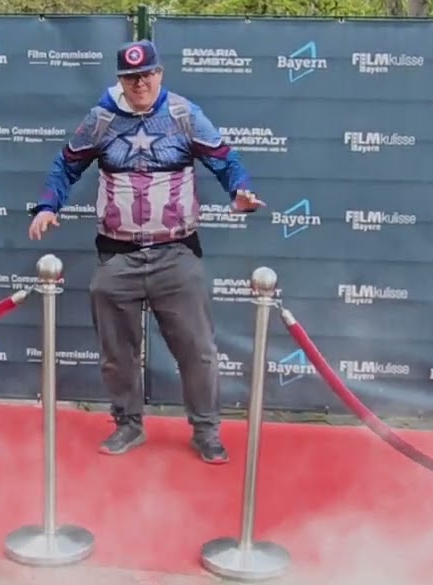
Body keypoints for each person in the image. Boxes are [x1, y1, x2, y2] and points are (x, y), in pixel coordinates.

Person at [27, 39, 265, 464]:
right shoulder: (101, 119)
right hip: (117, 256)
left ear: (160, 74)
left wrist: (240, 192)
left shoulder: (184, 115)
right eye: (131, 77)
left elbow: (227, 160)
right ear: (120, 79)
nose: (140, 84)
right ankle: (128, 424)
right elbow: (66, 164)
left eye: (147, 75)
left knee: (198, 350)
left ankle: (206, 430)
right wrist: (48, 206)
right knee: (117, 354)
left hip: (176, 253)